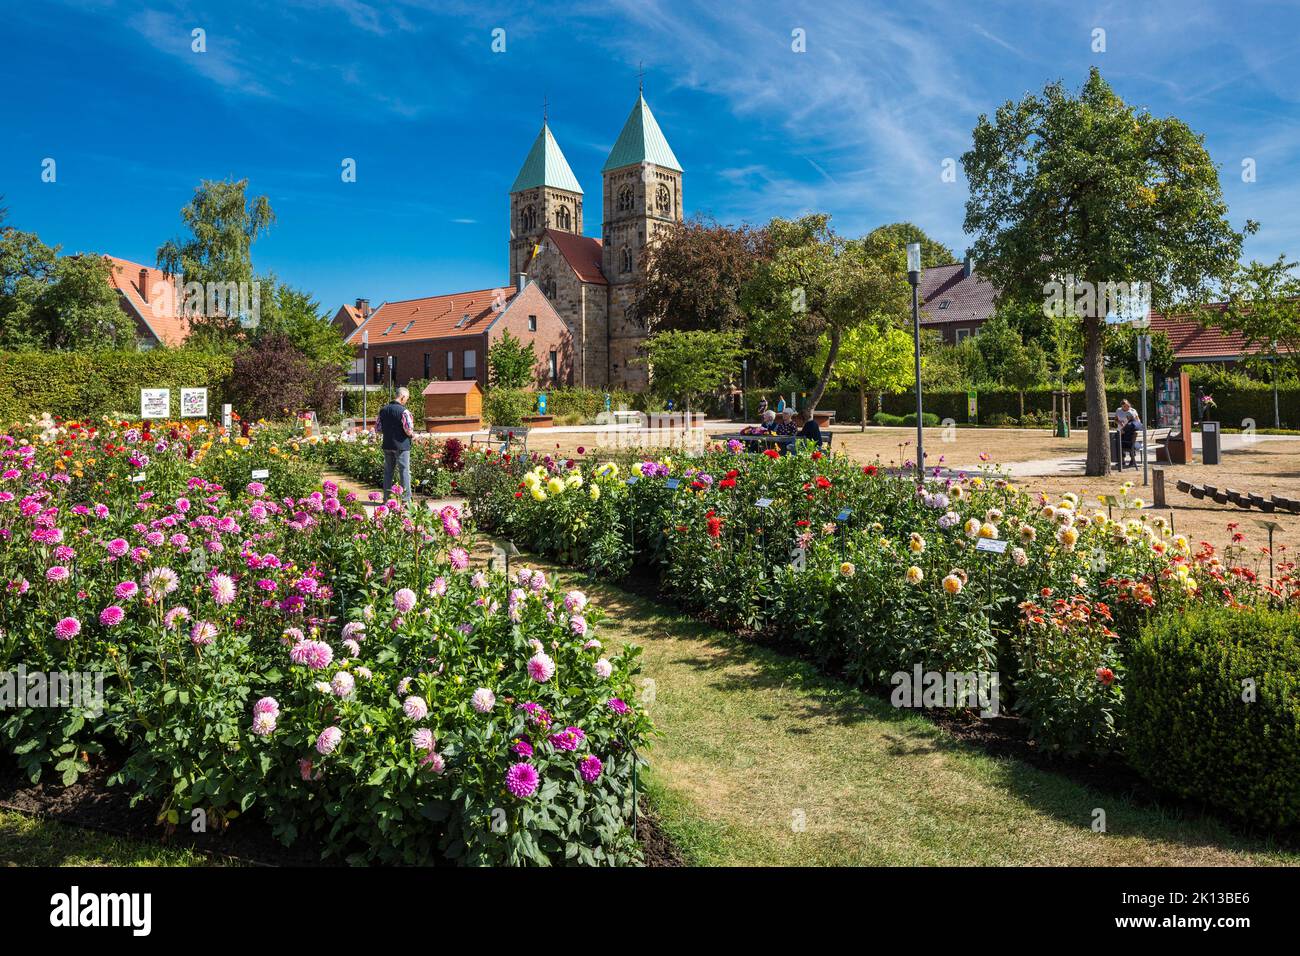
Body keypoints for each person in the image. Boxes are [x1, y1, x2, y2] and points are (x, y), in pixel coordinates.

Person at [375, 386, 415, 504]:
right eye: (406, 398)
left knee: (388, 472)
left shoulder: (383, 410)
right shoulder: (404, 411)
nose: (406, 401)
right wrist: (413, 435)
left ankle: (386, 498)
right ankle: (406, 500)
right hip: (402, 446)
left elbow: (378, 428)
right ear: (402, 397)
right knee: (404, 472)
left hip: (387, 444)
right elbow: (408, 429)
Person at [1116, 399, 1141, 467]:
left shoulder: (1132, 411)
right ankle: (1122, 460)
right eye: (1124, 406)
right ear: (1122, 406)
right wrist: (1119, 422)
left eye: (1127, 405)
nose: (1126, 407)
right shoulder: (1118, 410)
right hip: (1121, 430)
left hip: (1129, 431)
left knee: (1129, 442)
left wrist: (1128, 427)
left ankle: (1132, 460)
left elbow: (1138, 420)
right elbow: (1116, 419)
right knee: (1119, 442)